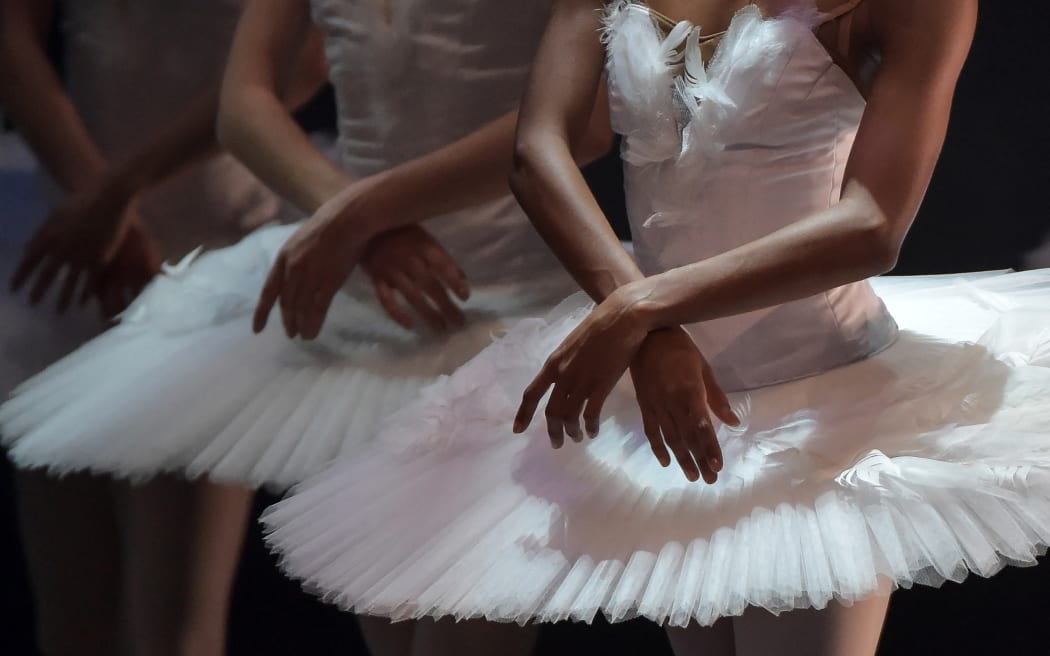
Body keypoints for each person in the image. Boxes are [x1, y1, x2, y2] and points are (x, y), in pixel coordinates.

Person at [262, 1, 1050, 655]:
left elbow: (874, 222)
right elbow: (538, 150)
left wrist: (643, 309)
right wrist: (647, 328)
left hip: (822, 397)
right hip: (668, 393)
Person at [2, 0, 613, 653]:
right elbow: (245, 101)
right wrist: (349, 217)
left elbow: (586, 118)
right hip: (366, 325)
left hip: (509, 322)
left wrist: (363, 213)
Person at [0, 1, 320, 653]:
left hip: (207, 250)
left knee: (175, 628)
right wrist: (96, 197)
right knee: (74, 621)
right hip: (75, 245)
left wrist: (116, 192)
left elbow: (304, 58)